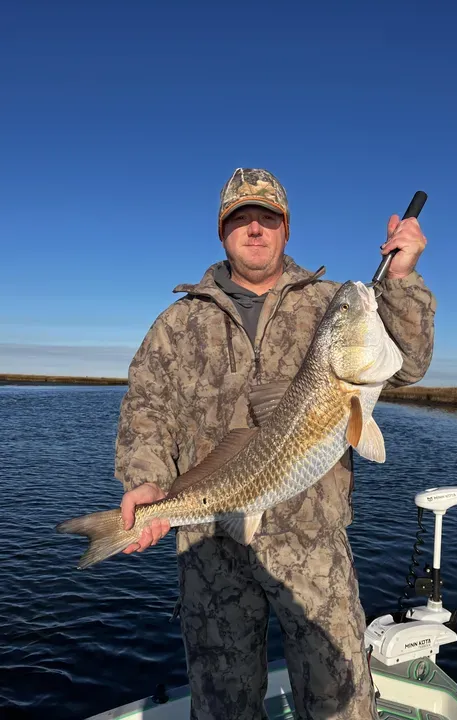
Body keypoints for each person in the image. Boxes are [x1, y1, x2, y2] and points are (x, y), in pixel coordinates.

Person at [114, 168, 436, 719]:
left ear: (287, 228)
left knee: (340, 699)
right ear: (222, 231)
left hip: (315, 542)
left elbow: (408, 364)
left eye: (268, 217)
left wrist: (401, 279)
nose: (255, 228)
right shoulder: (179, 322)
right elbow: (147, 407)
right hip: (209, 544)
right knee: (223, 705)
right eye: (240, 218)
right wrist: (146, 479)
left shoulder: (331, 302)